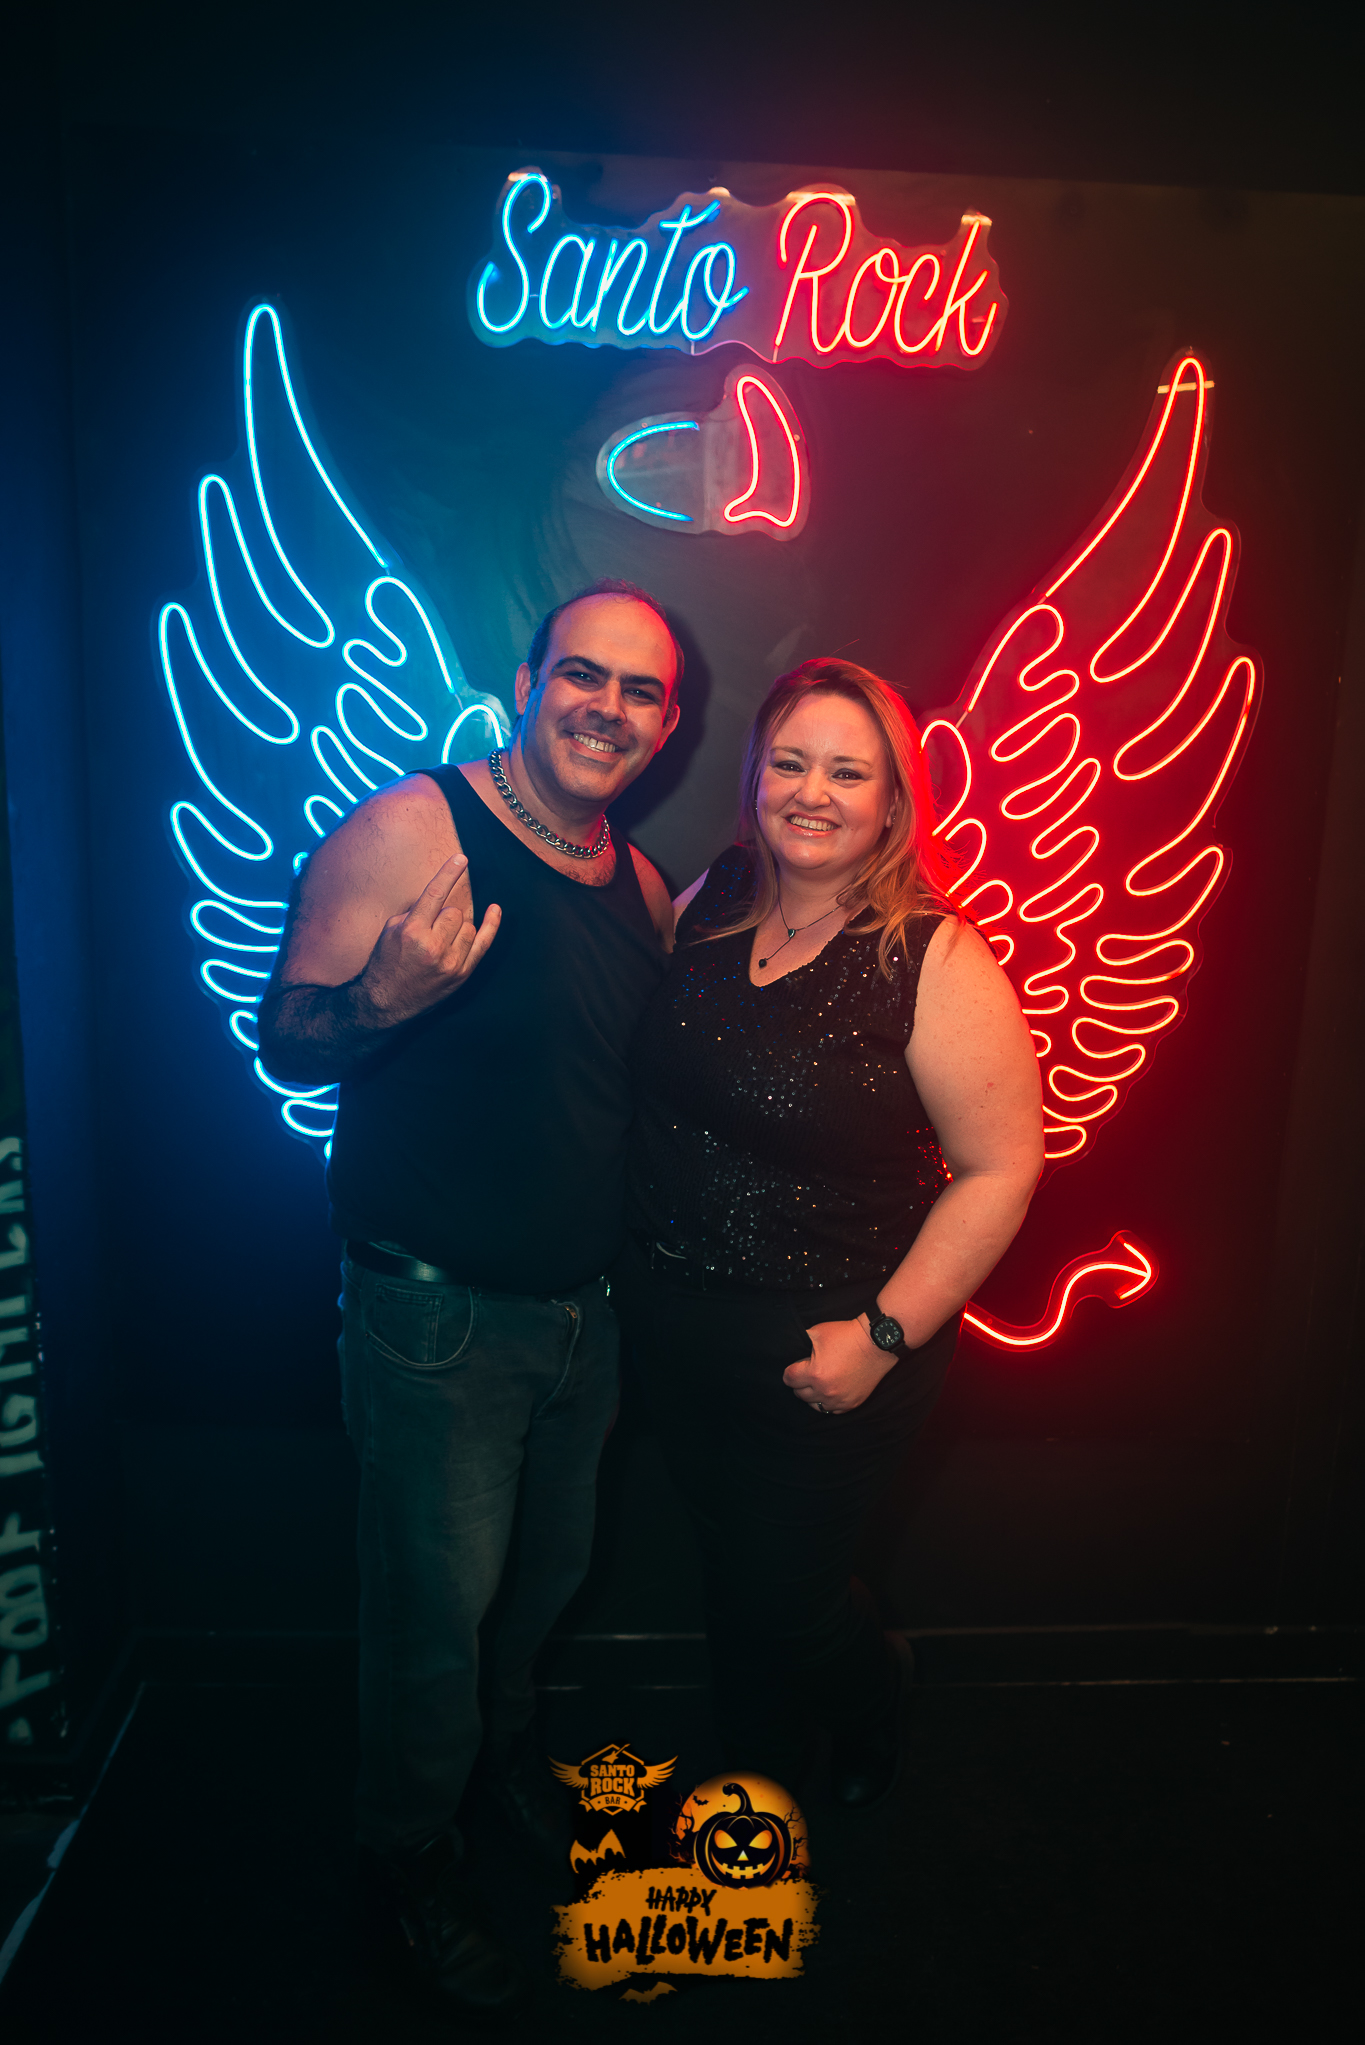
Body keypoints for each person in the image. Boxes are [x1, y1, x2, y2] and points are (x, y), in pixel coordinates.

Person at [257, 579, 682, 2015]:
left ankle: (490, 1776)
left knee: (537, 1595)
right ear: (526, 683)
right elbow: (289, 1035)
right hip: (437, 1326)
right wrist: (384, 997)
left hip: (584, 1322)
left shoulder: (637, 886)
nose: (606, 707)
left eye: (639, 690)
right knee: (433, 1627)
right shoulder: (414, 828)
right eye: (584, 674)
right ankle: (404, 1860)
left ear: (667, 724)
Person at [613, 657, 1044, 1807]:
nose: (812, 791)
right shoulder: (716, 895)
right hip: (677, 1326)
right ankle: (756, 1774)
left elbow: (1002, 1169)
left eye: (847, 771)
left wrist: (882, 1336)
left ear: (893, 799)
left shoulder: (931, 954)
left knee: (785, 1593)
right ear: (756, 775)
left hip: (836, 1338)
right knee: (730, 1568)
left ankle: (873, 1692)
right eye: (790, 762)